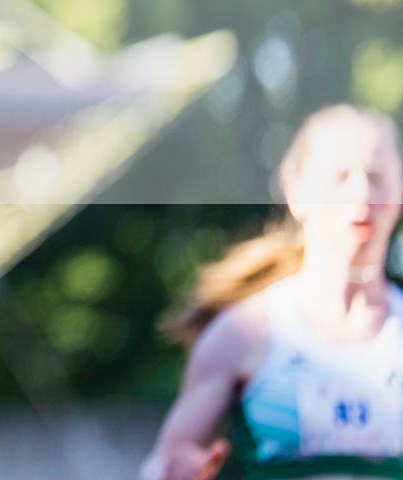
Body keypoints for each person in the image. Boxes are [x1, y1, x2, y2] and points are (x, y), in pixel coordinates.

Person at [142, 104, 403, 480]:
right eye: (341, 176)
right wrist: (173, 472)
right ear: (296, 193)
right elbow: (159, 465)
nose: (361, 193)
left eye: (377, 177)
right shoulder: (242, 334)